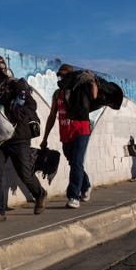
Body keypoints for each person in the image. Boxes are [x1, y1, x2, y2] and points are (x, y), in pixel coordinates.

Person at [0, 53, 48, 223]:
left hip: (18, 137)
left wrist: (17, 113)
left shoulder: (15, 85)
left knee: (24, 174)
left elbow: (31, 104)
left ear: (1, 69)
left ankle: (40, 194)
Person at [40, 64, 97, 209]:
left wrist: (92, 80)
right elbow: (52, 116)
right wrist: (45, 137)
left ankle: (73, 196)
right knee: (74, 164)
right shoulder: (57, 94)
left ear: (72, 76)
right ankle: (86, 185)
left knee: (77, 162)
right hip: (66, 134)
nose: (62, 78)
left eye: (65, 75)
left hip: (81, 130)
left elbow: (94, 96)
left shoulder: (80, 89)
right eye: (60, 75)